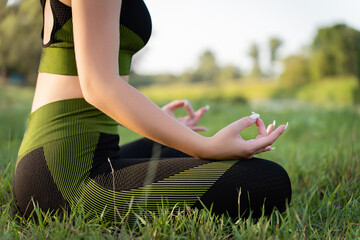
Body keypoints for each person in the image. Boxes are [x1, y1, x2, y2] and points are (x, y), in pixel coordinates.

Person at [12, 0, 291, 221]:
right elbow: (98, 85)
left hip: (91, 153)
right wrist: (205, 147)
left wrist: (163, 123)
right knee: (269, 180)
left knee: (179, 149)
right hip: (63, 176)